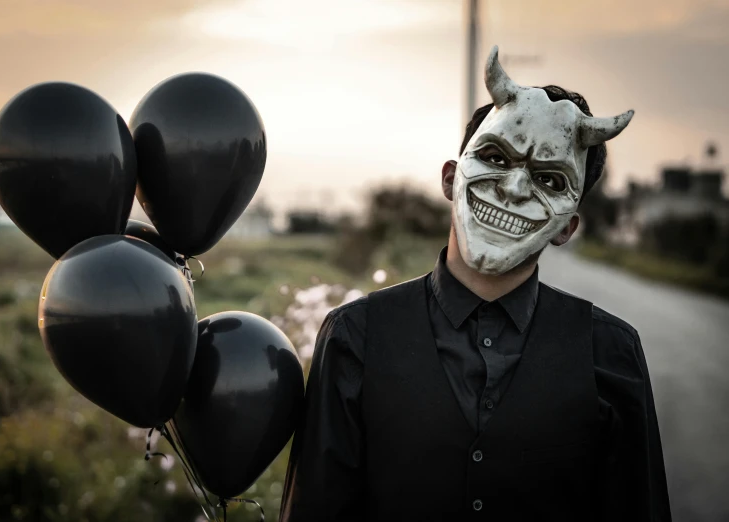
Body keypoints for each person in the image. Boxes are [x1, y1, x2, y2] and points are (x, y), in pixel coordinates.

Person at [279, 46, 671, 522]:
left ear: (569, 227)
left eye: (549, 180)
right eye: (494, 156)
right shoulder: (354, 337)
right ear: (450, 178)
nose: (514, 188)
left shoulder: (612, 353)